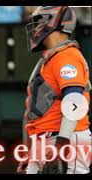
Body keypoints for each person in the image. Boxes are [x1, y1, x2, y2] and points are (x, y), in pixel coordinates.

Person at [17, 6, 92, 174]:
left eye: (39, 21)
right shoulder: (51, 57)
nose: (35, 27)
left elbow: (74, 100)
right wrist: (33, 153)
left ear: (55, 22)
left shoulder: (67, 55)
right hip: (48, 140)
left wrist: (61, 145)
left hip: (65, 138)